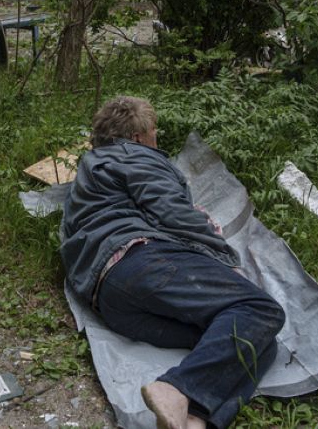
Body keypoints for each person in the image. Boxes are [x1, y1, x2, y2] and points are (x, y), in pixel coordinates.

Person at [61, 96, 285, 429]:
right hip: (140, 261)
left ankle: (195, 419)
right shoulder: (134, 156)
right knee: (261, 310)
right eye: (154, 132)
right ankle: (173, 388)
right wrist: (223, 257)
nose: (157, 138)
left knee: (256, 341)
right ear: (138, 136)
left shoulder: (92, 171)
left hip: (111, 299)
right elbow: (174, 212)